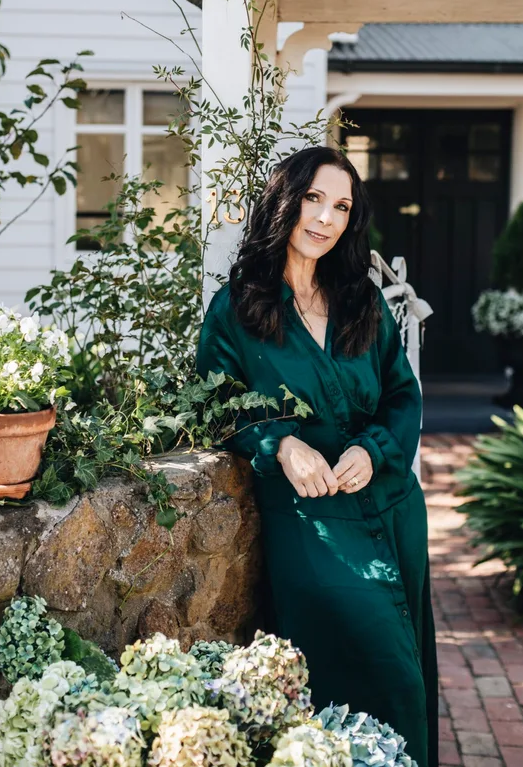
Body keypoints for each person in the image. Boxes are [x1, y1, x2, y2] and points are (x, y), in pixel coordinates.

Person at [196, 146, 438, 767]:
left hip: (390, 507)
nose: (325, 218)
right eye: (314, 199)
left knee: (408, 670)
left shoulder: (363, 301)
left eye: (341, 207)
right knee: (369, 666)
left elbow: (401, 396)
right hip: (311, 518)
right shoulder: (236, 310)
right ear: (286, 200)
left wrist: (375, 448)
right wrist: (282, 443)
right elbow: (219, 409)